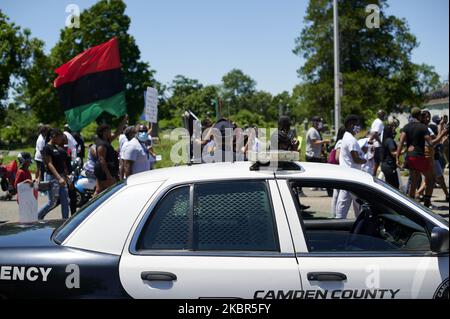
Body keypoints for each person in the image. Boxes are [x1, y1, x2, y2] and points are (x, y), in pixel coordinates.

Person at [396, 107, 448, 207]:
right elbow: (431, 143)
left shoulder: (406, 127)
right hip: (419, 157)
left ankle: (410, 204)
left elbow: (401, 142)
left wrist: (397, 157)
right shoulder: (423, 128)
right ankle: (427, 202)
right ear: (420, 116)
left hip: (410, 157)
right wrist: (441, 135)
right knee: (431, 179)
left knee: (414, 180)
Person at [335, 115, 366, 219]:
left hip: (349, 175)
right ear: (350, 125)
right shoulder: (350, 139)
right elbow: (356, 159)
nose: (358, 127)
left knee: (350, 202)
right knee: (348, 202)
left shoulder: (348, 137)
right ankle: (338, 223)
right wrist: (365, 160)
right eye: (356, 124)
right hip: (351, 176)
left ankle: (343, 220)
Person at [37, 129, 70, 220]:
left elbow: (60, 164)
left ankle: (65, 221)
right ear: (54, 136)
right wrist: (59, 178)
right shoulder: (47, 148)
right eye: (60, 137)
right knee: (52, 202)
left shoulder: (55, 147)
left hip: (61, 177)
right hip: (53, 177)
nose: (61, 140)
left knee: (65, 201)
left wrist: (65, 175)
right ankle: (36, 217)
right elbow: (49, 164)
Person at [94, 115, 128, 194]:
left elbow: (117, 132)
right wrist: (108, 175)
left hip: (102, 170)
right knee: (115, 190)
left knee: (99, 191)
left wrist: (124, 120)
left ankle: (92, 206)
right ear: (104, 132)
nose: (111, 132)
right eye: (109, 130)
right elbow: (102, 160)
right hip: (104, 171)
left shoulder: (107, 140)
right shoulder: (101, 145)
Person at [329, 127, 346, 217]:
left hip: (337, 169)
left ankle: (334, 213)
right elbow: (337, 157)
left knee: (336, 193)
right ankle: (334, 214)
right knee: (336, 194)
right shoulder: (340, 142)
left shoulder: (340, 141)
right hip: (338, 169)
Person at [371, 110, 386, 176]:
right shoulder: (379, 122)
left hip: (377, 144)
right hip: (378, 145)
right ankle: (374, 176)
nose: (384, 117)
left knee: (377, 163)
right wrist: (381, 143)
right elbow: (375, 133)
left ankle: (374, 175)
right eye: (383, 115)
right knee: (379, 163)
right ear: (380, 115)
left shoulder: (377, 121)